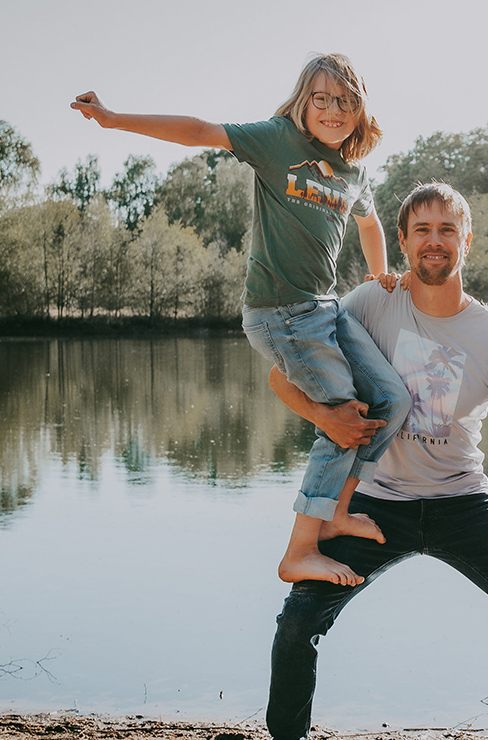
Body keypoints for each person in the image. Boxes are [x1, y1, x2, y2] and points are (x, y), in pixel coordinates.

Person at [226, 183, 488, 740]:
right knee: (299, 618)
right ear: (401, 240)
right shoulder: (371, 303)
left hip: (462, 502)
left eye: (447, 229)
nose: (434, 240)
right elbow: (282, 377)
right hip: (373, 505)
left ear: (466, 240)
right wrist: (326, 419)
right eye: (422, 229)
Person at [71, 54, 409, 588]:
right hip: (281, 311)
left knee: (392, 400)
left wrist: (380, 272)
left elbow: (369, 223)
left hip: (324, 308)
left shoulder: (354, 171)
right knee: (343, 419)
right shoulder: (278, 140)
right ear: (302, 103)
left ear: (360, 110)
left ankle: (337, 510)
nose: (333, 109)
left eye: (346, 101)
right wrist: (113, 119)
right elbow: (198, 131)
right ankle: (300, 550)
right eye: (321, 98)